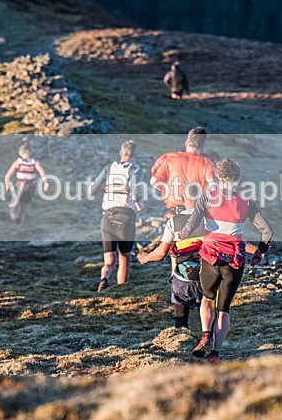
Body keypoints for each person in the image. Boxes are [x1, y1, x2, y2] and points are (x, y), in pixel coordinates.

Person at [179, 158, 273, 364]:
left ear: (218, 177)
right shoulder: (247, 202)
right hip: (235, 259)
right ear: (238, 178)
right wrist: (260, 252)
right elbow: (267, 231)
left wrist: (182, 233)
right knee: (224, 309)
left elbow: (191, 224)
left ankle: (205, 334)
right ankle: (215, 353)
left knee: (207, 299)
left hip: (211, 256)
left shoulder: (207, 198)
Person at [137, 207, 205, 329]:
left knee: (181, 312)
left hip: (183, 275)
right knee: (209, 310)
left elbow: (161, 253)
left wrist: (146, 258)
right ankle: (210, 337)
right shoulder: (212, 218)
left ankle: (181, 335)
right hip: (208, 272)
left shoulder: (174, 222)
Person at [89, 140, 143, 291]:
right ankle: (121, 290)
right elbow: (133, 187)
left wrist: (106, 191)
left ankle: (104, 279)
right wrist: (137, 201)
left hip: (107, 217)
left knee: (109, 261)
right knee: (124, 258)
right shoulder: (135, 169)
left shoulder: (109, 168)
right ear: (135, 155)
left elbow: (93, 189)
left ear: (121, 153)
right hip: (125, 218)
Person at [149, 127, 215, 217]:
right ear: (202, 148)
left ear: (186, 143)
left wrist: (168, 190)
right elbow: (213, 187)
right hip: (196, 215)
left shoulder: (170, 158)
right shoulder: (207, 163)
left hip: (174, 214)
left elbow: (153, 181)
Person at [4, 139, 50, 225]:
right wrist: (7, 186)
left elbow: (42, 172)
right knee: (16, 204)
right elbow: (7, 176)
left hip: (28, 187)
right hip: (19, 186)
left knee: (23, 207)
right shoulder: (18, 163)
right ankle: (15, 219)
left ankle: (19, 223)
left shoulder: (34, 163)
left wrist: (45, 182)